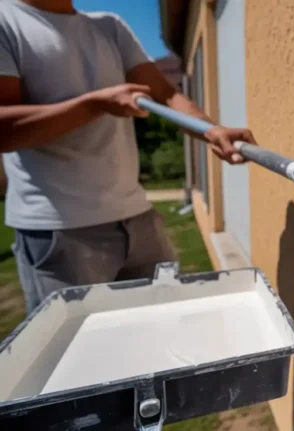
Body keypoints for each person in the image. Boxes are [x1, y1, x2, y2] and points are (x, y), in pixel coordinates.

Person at [0, 0, 257, 314]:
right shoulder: (6, 21)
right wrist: (95, 104)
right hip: (60, 232)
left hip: (137, 219)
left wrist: (212, 130)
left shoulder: (109, 26)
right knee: (79, 351)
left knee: (163, 325)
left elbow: (166, 92)